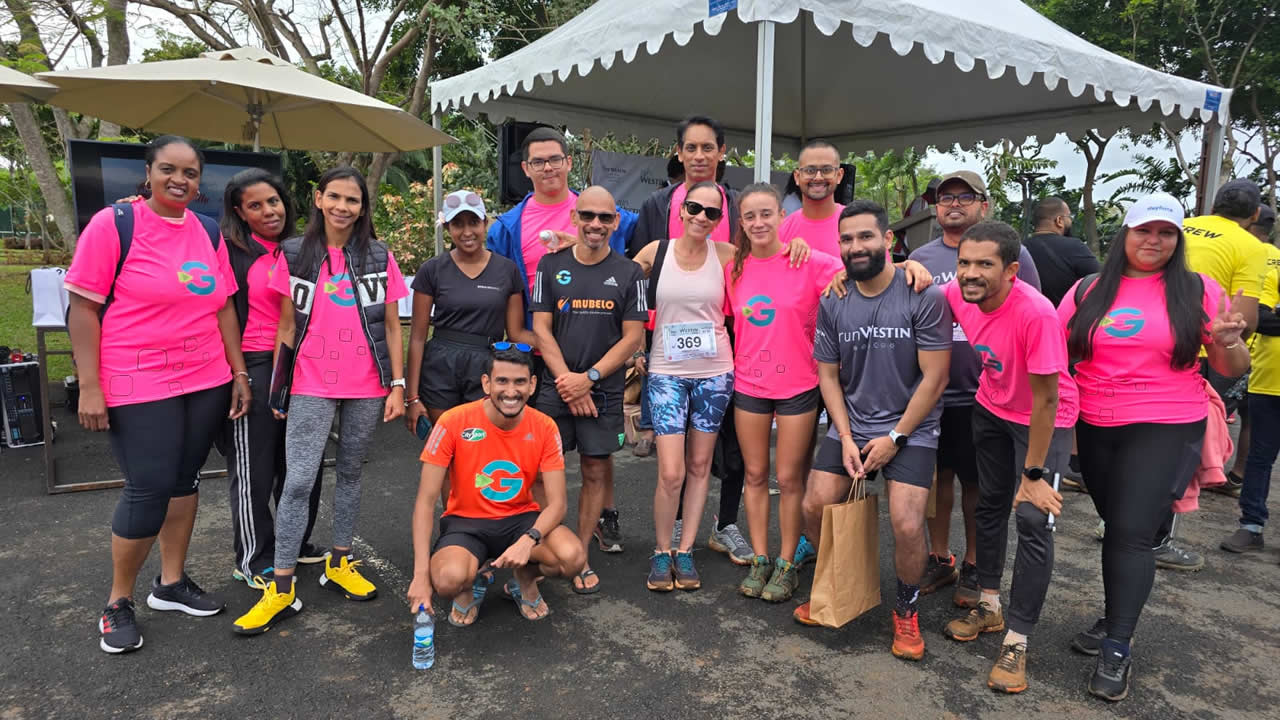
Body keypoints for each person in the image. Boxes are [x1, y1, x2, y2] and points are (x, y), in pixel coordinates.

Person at [1058, 194, 1249, 701]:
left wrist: (1229, 342)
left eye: (1167, 233)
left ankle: (1117, 645)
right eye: (1145, 231)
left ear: (1178, 240)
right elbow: (1054, 354)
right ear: (1126, 234)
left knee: (1131, 531)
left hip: (1168, 420)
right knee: (1118, 522)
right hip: (1096, 421)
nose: (1154, 241)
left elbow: (1231, 369)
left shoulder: (1197, 290)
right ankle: (1117, 611)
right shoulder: (1088, 291)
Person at [67, 135, 251, 653]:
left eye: (190, 173)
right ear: (148, 173)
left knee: (184, 480)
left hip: (205, 378)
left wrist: (238, 373)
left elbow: (222, 308)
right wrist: (90, 386)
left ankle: (170, 584)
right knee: (147, 488)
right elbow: (83, 310)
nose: (180, 180)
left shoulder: (207, 230)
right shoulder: (114, 225)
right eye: (168, 169)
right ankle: (117, 602)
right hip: (137, 380)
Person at [233, 166, 409, 634]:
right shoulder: (293, 254)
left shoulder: (378, 254)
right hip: (311, 382)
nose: (343, 207)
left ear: (362, 206)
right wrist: (279, 387)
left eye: (352, 200)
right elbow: (286, 326)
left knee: (351, 474)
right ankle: (283, 584)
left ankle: (340, 561)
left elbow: (393, 326)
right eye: (335, 197)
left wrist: (398, 385)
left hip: (368, 383)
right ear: (317, 198)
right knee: (298, 480)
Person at [792, 200, 951, 663]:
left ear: (888, 240)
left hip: (912, 430)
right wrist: (844, 437)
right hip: (853, 424)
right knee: (814, 504)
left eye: (865, 237)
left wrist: (895, 438)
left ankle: (906, 607)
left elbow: (935, 378)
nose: (855, 246)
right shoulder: (833, 298)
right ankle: (840, 588)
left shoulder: (923, 294)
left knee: (906, 520)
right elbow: (828, 376)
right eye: (846, 239)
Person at [630, 181, 810, 589]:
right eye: (695, 207)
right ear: (681, 210)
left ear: (721, 220)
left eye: (712, 212)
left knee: (698, 468)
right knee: (671, 471)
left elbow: (774, 261)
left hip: (715, 373)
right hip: (666, 373)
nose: (701, 217)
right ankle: (662, 551)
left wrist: (798, 246)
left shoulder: (730, 255)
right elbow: (614, 279)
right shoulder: (653, 253)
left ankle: (686, 550)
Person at [939, 221, 1078, 696]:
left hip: (1042, 422)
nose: (970, 273)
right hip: (991, 409)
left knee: (1033, 520)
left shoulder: (1035, 314)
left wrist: (1035, 473)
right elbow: (908, 285)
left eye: (984, 264)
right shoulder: (961, 295)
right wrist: (908, 268)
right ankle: (990, 605)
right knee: (989, 506)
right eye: (964, 263)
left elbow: (1046, 401)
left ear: (1012, 269)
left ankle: (1018, 638)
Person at [486, 127, 636, 550]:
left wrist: (583, 376)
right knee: (535, 458)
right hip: (540, 351)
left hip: (596, 355)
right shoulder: (510, 225)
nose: (548, 167)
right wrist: (562, 374)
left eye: (555, 159)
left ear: (569, 163)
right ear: (526, 168)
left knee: (596, 457)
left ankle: (601, 522)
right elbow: (505, 283)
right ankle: (538, 537)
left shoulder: (598, 209)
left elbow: (660, 235)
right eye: (539, 161)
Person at [908, 170, 1042, 608]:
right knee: (937, 479)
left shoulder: (1011, 253)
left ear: (983, 204)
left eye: (965, 197)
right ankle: (940, 555)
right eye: (945, 198)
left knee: (979, 486)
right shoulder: (921, 255)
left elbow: (1029, 313)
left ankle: (973, 564)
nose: (954, 204)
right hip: (933, 392)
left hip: (985, 394)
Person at [725, 183, 845, 603]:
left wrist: (908, 268)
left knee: (790, 479)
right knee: (755, 476)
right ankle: (760, 558)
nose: (758, 223)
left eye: (766, 214)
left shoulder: (810, 261)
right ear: (740, 222)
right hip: (749, 386)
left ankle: (788, 562)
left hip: (800, 385)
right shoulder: (733, 269)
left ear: (781, 216)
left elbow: (864, 271)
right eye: (749, 216)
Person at [407, 346, 586, 624]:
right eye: (502, 381)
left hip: (520, 520)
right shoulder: (453, 421)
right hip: (466, 522)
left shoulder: (546, 426)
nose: (511, 391)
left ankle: (523, 580)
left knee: (572, 558)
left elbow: (559, 502)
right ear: (486, 383)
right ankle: (468, 588)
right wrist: (420, 577)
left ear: (533, 385)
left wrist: (529, 540)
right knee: (447, 580)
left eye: (520, 382)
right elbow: (425, 501)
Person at [531, 186, 647, 594]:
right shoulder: (549, 265)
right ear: (574, 219)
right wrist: (568, 381)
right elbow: (540, 329)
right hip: (556, 386)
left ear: (616, 222)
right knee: (542, 471)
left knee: (596, 469)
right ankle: (550, 541)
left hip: (601, 390)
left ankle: (578, 552)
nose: (595, 224)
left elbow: (632, 337)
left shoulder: (630, 272)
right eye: (588, 216)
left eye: (604, 217)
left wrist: (589, 379)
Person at [220, 169, 326, 588]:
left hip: (306, 366)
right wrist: (238, 372)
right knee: (254, 469)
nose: (269, 211)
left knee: (302, 464)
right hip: (256, 364)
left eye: (274, 201)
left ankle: (293, 542)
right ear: (239, 212)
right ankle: (254, 556)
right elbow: (220, 312)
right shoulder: (229, 252)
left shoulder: (301, 249)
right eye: (256, 205)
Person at [405, 190, 535, 431]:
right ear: (447, 228)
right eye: (457, 224)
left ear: (485, 223)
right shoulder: (432, 270)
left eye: (474, 222)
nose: (467, 232)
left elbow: (516, 333)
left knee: (481, 445)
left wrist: (558, 344)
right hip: (440, 365)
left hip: (487, 363)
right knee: (446, 445)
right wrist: (411, 397)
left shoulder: (507, 270)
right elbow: (417, 337)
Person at [1220, 203, 1280, 556]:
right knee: (1259, 457)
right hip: (1266, 377)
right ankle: (1251, 525)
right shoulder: (1258, 260)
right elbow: (1258, 319)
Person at [1023, 197, 1100, 307]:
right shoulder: (1074, 247)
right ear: (1059, 221)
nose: (1071, 221)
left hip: (1030, 318)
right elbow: (1101, 281)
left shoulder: (1020, 249)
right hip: (1067, 320)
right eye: (1069, 216)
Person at [777, 140, 846, 256]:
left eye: (827, 170)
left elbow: (882, 272)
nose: (818, 177)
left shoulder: (857, 224)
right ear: (797, 177)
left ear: (839, 175)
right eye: (810, 170)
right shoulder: (781, 230)